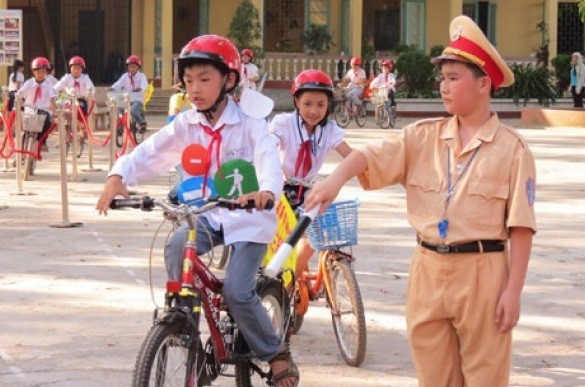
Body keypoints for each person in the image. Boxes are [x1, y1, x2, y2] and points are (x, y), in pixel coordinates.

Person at [304, 15, 537, 387]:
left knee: (485, 378)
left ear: (484, 84)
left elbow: (521, 226)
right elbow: (369, 155)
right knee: (433, 378)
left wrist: (513, 291)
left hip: (483, 272)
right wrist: (335, 178)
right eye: (442, 78)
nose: (443, 86)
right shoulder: (422, 137)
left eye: (453, 78)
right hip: (427, 268)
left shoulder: (513, 150)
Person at [96, 34, 299, 387]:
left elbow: (269, 158)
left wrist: (266, 191)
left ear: (229, 80)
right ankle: (183, 325)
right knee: (177, 245)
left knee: (237, 292)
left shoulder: (251, 123)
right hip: (208, 212)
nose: (195, 89)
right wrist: (118, 175)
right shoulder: (186, 124)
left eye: (205, 79)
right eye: (189, 81)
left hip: (249, 218)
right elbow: (149, 152)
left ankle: (275, 352)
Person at [269, 69, 352, 282]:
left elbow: (349, 154)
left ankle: (294, 275)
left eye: (320, 105)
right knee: (279, 240)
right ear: (296, 101)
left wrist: (365, 166)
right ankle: (288, 282)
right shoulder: (282, 123)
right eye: (307, 103)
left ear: (328, 105)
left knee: (315, 236)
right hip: (282, 188)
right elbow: (270, 144)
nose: (314, 111)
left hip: (309, 190)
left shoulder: (330, 130)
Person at [17, 57, 57, 152]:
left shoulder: (48, 84)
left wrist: (54, 105)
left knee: (47, 121)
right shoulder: (29, 83)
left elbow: (52, 96)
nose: (40, 74)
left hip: (43, 110)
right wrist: (19, 99)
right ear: (33, 72)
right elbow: (20, 93)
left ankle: (42, 142)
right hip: (30, 110)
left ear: (46, 73)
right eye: (38, 72)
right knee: (26, 131)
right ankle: (22, 154)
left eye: (43, 72)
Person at [110, 54, 149, 132]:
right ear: (128, 67)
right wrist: (112, 88)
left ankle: (142, 122)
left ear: (138, 67)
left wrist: (140, 88)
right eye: (130, 67)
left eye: (134, 67)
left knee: (133, 110)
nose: (132, 69)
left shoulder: (141, 76)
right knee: (118, 108)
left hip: (137, 98)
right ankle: (120, 127)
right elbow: (118, 84)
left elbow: (145, 85)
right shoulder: (125, 76)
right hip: (126, 98)